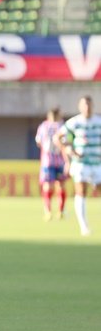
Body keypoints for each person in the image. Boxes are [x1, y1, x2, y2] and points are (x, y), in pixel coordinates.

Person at [55, 95, 101, 236]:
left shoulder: (99, 121)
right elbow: (58, 138)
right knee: (81, 191)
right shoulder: (74, 122)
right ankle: (84, 226)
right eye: (84, 105)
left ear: (93, 106)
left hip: (97, 162)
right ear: (80, 107)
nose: (87, 108)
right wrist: (68, 150)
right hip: (81, 164)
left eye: (89, 105)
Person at [35, 107, 68, 221]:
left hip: (53, 161)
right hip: (55, 161)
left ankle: (54, 211)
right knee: (55, 185)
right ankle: (55, 211)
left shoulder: (49, 126)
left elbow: (38, 142)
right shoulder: (58, 126)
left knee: (54, 186)